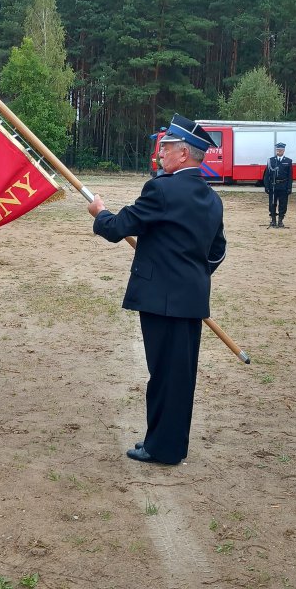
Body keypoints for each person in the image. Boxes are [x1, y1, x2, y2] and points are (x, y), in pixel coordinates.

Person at [88, 114, 225, 466]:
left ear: (183, 153)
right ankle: (171, 444)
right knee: (180, 376)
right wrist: (189, 273)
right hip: (190, 299)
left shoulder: (161, 189)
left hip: (163, 301)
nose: (160, 153)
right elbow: (216, 251)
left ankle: (161, 448)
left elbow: (118, 228)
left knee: (164, 375)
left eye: (165, 147)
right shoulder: (211, 198)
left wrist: (99, 212)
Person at [263, 142, 293, 227]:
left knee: (283, 204)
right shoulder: (271, 160)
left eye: (280, 150)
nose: (278, 151)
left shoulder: (288, 161)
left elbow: (290, 176)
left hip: (283, 185)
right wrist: (266, 186)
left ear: (283, 151)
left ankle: (280, 220)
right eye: (277, 150)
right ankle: (273, 220)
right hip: (273, 185)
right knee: (272, 203)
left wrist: (289, 187)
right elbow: (266, 175)